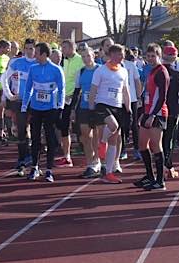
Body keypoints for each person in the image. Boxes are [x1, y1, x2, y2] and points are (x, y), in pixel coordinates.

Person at [21, 42, 65, 182]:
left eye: (37, 53)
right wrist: (24, 106)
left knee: (50, 138)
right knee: (35, 138)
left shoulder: (56, 69)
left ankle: (49, 170)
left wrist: (60, 106)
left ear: (44, 54)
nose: (34, 55)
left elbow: (62, 89)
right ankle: (35, 167)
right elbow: (28, 88)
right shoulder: (33, 69)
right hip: (35, 108)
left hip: (50, 108)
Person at [89, 43, 131, 184]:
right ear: (112, 55)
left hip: (117, 106)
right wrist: (91, 105)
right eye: (119, 54)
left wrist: (128, 106)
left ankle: (108, 172)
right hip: (102, 104)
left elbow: (125, 90)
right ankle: (102, 142)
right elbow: (93, 89)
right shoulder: (101, 70)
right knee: (112, 126)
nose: (122, 57)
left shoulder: (124, 71)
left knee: (114, 139)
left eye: (123, 54)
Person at [133, 44, 170, 191]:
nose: (150, 59)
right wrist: (144, 112)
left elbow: (161, 97)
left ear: (159, 56)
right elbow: (147, 93)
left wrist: (153, 114)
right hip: (148, 111)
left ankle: (160, 180)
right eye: (148, 56)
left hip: (158, 113)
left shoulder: (162, 72)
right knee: (142, 144)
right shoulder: (150, 71)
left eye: (153, 56)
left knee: (155, 145)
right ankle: (149, 175)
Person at [2, 38, 37, 175]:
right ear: (24, 49)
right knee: (21, 130)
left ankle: (34, 161)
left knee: (34, 131)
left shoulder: (39, 63)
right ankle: (22, 159)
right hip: (20, 102)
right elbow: (4, 78)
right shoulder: (17, 63)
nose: (30, 51)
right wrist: (9, 95)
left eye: (32, 48)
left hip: (35, 103)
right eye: (27, 48)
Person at [162, 46, 179, 181]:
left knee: (160, 140)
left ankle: (164, 165)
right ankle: (168, 165)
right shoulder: (177, 74)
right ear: (175, 57)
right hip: (172, 111)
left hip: (158, 111)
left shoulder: (156, 72)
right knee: (169, 139)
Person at [73, 49, 101, 178]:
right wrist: (73, 109)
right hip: (84, 107)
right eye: (83, 56)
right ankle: (90, 164)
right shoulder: (81, 72)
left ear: (93, 56)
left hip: (98, 107)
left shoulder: (100, 70)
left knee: (96, 135)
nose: (86, 58)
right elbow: (77, 91)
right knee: (86, 135)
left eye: (88, 56)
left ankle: (97, 160)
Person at [56, 39, 84, 168]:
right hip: (64, 98)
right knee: (63, 126)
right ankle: (67, 156)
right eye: (62, 48)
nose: (62, 50)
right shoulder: (64, 60)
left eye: (65, 48)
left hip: (77, 97)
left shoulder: (80, 60)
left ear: (72, 48)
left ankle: (93, 157)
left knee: (82, 128)